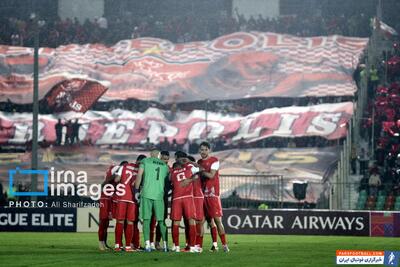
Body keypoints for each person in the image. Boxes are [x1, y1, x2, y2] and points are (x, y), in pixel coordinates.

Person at [135, 148, 170, 252]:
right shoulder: (165, 166)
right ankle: (165, 245)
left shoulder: (145, 161)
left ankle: (147, 245)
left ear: (151, 154)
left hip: (146, 194)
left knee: (146, 220)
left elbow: (139, 175)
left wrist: (136, 189)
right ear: (159, 155)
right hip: (159, 195)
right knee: (161, 221)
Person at [198, 141, 229, 252]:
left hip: (212, 195)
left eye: (205, 149)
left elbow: (211, 175)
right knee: (201, 221)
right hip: (202, 196)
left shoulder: (214, 161)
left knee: (217, 221)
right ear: (199, 150)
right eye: (201, 149)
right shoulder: (199, 162)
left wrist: (201, 170)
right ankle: (200, 247)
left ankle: (224, 245)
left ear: (209, 150)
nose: (203, 151)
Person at [170, 155, 199, 253]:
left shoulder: (172, 172)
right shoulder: (188, 168)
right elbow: (199, 171)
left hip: (176, 199)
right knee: (191, 221)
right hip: (188, 198)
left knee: (175, 223)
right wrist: (190, 179)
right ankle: (192, 247)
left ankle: (176, 246)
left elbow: (170, 181)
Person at [113, 160, 139, 252]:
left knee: (120, 221)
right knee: (130, 222)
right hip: (132, 198)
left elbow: (116, 179)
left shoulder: (123, 167)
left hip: (122, 197)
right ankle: (128, 246)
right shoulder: (140, 169)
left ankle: (117, 245)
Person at [98, 164, 119, 251]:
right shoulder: (114, 173)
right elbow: (105, 183)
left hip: (109, 199)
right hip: (105, 199)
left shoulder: (111, 178)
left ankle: (104, 243)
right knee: (103, 223)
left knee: (106, 224)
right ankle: (100, 243)